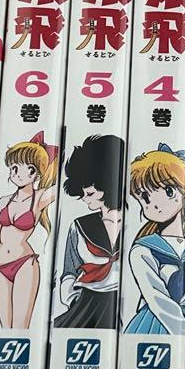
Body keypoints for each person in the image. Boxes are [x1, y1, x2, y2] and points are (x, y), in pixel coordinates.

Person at [52, 135, 125, 329]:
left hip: (124, 302)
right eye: (83, 193)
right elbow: (69, 271)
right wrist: (72, 298)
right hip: (86, 301)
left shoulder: (135, 223)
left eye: (90, 193)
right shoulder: (80, 226)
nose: (84, 198)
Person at [0, 133, 58, 328]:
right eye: (14, 168)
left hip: (24, 264)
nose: (18, 173)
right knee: (4, 328)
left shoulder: (39, 198)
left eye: (29, 169)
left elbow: (63, 184)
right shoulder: (3, 201)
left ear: (37, 174)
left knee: (21, 328)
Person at [122, 146, 185, 336]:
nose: (155, 204)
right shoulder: (142, 250)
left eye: (168, 191)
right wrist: (184, 331)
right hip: (156, 324)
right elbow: (156, 298)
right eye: (145, 197)